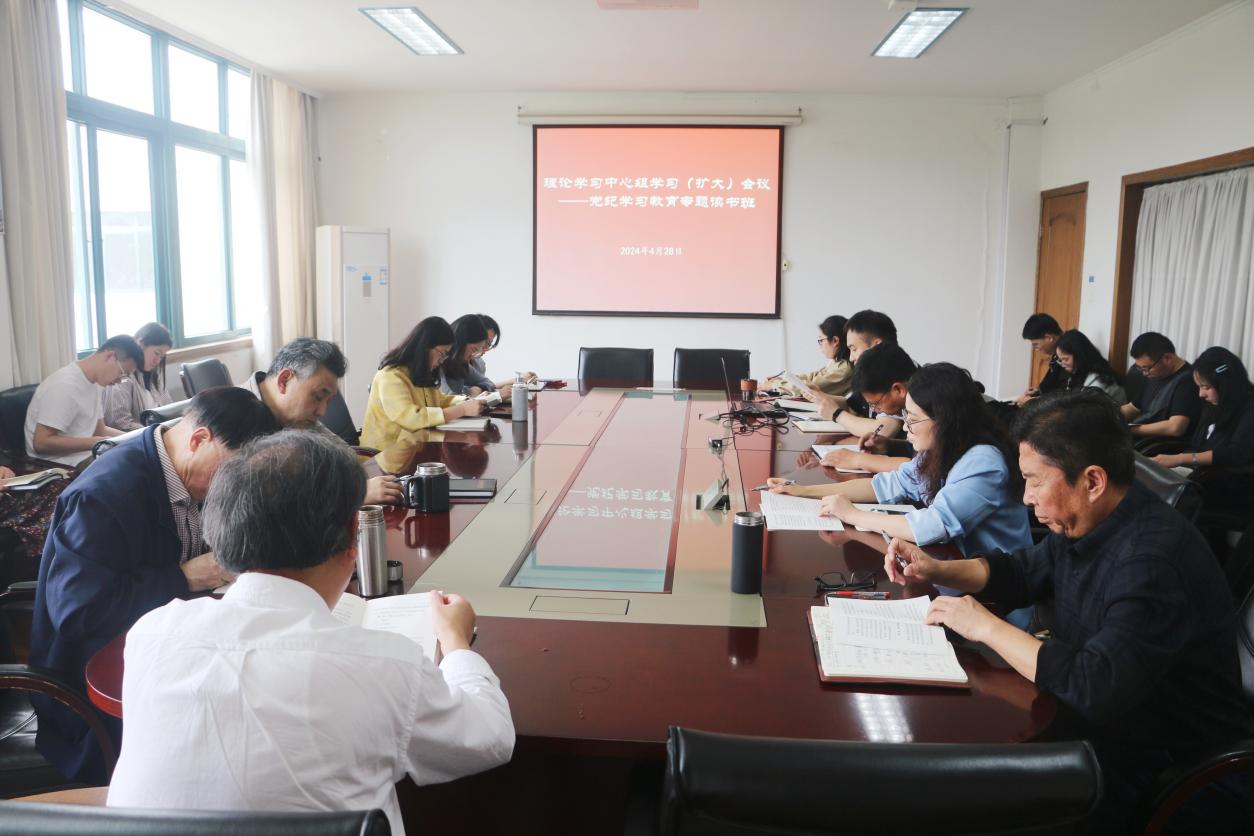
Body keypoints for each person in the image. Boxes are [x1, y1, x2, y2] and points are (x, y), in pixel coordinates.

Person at [106, 431, 514, 835]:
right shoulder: (385, 666)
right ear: (353, 535)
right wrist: (456, 642)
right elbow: (490, 738)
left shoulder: (151, 634)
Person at [888, 390, 1254, 833]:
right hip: (1102, 729)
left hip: (1167, 771)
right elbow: (1022, 572)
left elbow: (1092, 684)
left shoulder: (1152, 562)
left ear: (1093, 481)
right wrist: (936, 568)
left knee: (963, 796)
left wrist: (985, 626)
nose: (1026, 498)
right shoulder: (1092, 519)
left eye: (1035, 481)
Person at [30, 387, 279, 783]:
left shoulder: (189, 472)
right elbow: (78, 613)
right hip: (96, 692)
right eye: (230, 473)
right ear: (198, 440)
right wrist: (184, 577)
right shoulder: (104, 496)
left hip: (167, 651)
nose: (231, 488)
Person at [772, 363, 1031, 569]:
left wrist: (852, 516)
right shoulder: (941, 450)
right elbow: (884, 485)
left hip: (996, 596)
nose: (906, 427)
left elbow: (933, 525)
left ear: (944, 420)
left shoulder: (983, 462)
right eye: (906, 415)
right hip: (953, 568)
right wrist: (802, 491)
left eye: (913, 419)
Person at [241, 338, 400, 506]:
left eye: (328, 401)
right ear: (284, 380)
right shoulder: (235, 418)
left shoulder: (297, 419)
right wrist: (352, 495)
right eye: (318, 397)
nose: (322, 412)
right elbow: (264, 502)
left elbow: (347, 460)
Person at [361, 317, 485, 450]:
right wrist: (462, 409)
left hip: (415, 447)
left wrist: (466, 401)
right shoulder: (391, 376)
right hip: (385, 453)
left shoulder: (420, 372)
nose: (442, 360)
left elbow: (439, 400)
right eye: (442, 353)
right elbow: (411, 418)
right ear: (424, 347)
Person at [24, 335, 144, 465]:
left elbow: (100, 430)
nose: (119, 381)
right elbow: (41, 443)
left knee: (142, 457)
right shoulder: (64, 385)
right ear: (110, 356)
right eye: (122, 373)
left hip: (86, 454)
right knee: (133, 466)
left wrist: (137, 438)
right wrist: (98, 442)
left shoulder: (95, 383)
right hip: (59, 461)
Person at [1153, 347, 1254, 484]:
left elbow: (1236, 454)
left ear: (1227, 384)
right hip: (1201, 474)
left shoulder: (1249, 409)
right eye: (1199, 387)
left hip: (1231, 483)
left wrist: (1180, 459)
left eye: (1206, 387)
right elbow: (1197, 445)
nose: (1201, 394)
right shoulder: (1213, 404)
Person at [808, 309, 899, 423]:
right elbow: (851, 405)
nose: (851, 358)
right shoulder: (871, 374)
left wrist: (837, 414)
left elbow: (882, 429)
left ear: (877, 346)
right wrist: (820, 396)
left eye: (854, 349)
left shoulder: (896, 375)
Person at [1121, 332, 1201, 442]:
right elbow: (1133, 407)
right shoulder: (1155, 374)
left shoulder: (1188, 381)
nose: (1144, 373)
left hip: (1160, 444)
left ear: (1167, 358)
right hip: (1138, 435)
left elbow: (1176, 427)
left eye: (1147, 368)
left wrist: (1129, 430)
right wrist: (1108, 415)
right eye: (1141, 369)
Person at [104, 322, 175, 431]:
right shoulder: (122, 376)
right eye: (156, 353)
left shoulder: (153, 375)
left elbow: (169, 408)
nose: (158, 361)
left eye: (161, 356)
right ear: (140, 343)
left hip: (157, 433)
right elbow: (120, 423)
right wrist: (156, 432)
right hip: (140, 437)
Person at [767, 315, 853, 398]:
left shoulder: (843, 369)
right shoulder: (836, 363)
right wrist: (782, 380)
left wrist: (773, 385)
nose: (820, 345)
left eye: (821, 340)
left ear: (835, 341)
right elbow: (811, 376)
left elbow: (807, 387)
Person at [1053, 329, 1126, 405]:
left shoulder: (1100, 381)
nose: (1062, 364)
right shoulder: (1077, 374)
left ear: (1080, 355)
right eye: (1060, 360)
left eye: (1066, 359)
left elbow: (1083, 410)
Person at [474, 314, 536, 395]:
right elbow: (471, 392)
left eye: (489, 344)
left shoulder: (479, 363)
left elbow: (485, 386)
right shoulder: (459, 363)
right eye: (485, 343)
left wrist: (517, 380)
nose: (486, 349)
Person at [1012, 313, 1065, 407]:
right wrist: (1037, 391)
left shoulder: (1066, 355)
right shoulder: (1057, 355)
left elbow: (1064, 396)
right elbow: (1050, 385)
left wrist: (1033, 401)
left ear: (1049, 338)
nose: (1035, 349)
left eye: (1036, 344)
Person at [439, 314, 494, 397]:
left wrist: (478, 388)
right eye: (474, 349)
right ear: (461, 342)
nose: (473, 356)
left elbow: (489, 383)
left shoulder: (462, 364)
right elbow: (447, 397)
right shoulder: (438, 361)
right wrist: (468, 392)